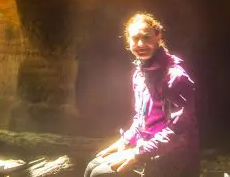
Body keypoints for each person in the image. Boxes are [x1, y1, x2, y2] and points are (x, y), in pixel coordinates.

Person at [84, 12, 199, 177]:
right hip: (148, 147)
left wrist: (138, 154)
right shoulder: (140, 74)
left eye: (146, 37)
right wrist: (125, 141)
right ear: (128, 41)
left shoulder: (174, 77)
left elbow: (178, 131)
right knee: (92, 165)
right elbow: (142, 119)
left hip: (173, 156)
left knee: (100, 174)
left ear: (158, 37)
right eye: (135, 38)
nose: (140, 43)